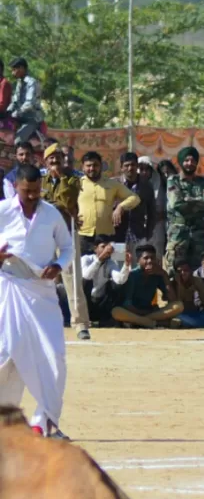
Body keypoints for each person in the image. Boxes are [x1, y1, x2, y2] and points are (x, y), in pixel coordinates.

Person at [0, 164, 73, 438]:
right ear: (16, 187)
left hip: (42, 292)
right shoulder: (3, 211)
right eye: (26, 191)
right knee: (7, 354)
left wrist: (58, 264)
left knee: (53, 356)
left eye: (36, 191)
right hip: (8, 288)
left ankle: (44, 422)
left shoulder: (51, 213)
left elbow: (67, 247)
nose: (32, 196)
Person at [40, 143, 89, 340]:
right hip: (43, 235)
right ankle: (43, 322)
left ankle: (80, 324)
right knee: (43, 278)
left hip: (66, 233)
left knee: (72, 278)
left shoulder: (73, 179)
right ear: (45, 161)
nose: (55, 162)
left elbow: (68, 201)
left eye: (58, 158)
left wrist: (61, 178)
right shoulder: (40, 180)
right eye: (51, 158)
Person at [77, 151, 141, 254]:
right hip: (83, 235)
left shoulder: (112, 184)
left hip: (105, 235)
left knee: (107, 268)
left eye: (95, 165)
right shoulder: (76, 184)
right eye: (88, 166)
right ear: (83, 167)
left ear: (101, 166)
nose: (92, 168)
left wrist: (121, 207)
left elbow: (135, 198)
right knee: (85, 268)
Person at [110, 244, 183, 328]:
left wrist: (164, 274)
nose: (150, 261)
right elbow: (127, 304)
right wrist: (144, 313)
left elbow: (172, 299)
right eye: (146, 258)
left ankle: (140, 322)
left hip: (149, 312)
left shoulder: (158, 274)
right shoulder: (132, 275)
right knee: (116, 311)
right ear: (138, 260)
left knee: (179, 305)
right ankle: (156, 323)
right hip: (133, 312)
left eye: (152, 258)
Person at [166, 146, 204, 271]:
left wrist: (189, 201)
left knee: (197, 269)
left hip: (198, 233)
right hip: (178, 233)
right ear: (181, 162)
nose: (190, 163)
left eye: (193, 160)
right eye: (186, 160)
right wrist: (198, 202)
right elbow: (177, 203)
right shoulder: (173, 180)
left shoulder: (202, 181)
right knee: (174, 268)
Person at [80, 236, 132, 325]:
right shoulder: (86, 259)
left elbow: (119, 280)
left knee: (114, 285)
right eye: (103, 247)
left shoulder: (111, 262)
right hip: (85, 300)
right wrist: (100, 259)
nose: (107, 250)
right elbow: (86, 276)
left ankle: (107, 318)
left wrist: (126, 265)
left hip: (101, 301)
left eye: (109, 247)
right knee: (85, 282)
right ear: (95, 248)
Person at [115, 151, 158, 252]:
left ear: (137, 166)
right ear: (121, 167)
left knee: (139, 265)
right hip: (117, 236)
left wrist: (148, 235)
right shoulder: (114, 184)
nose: (130, 168)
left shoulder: (146, 186)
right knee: (118, 266)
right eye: (126, 165)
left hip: (138, 235)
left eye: (133, 165)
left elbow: (152, 213)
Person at [168, 258, 204, 328]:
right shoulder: (172, 283)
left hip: (194, 313)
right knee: (181, 319)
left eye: (186, 270)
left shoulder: (196, 280)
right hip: (180, 314)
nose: (183, 273)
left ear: (190, 271)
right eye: (179, 271)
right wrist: (179, 284)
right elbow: (175, 304)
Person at [6, 57, 44, 144]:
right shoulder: (20, 82)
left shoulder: (32, 83)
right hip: (20, 117)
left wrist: (15, 114)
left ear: (22, 68)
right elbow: (15, 101)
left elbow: (29, 104)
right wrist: (7, 112)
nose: (12, 73)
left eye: (14, 70)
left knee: (17, 141)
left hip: (32, 118)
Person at [139, 156, 167, 256]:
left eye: (147, 169)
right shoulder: (131, 187)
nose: (144, 172)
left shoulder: (160, 186)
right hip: (139, 229)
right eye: (141, 169)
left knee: (156, 257)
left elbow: (166, 208)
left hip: (157, 228)